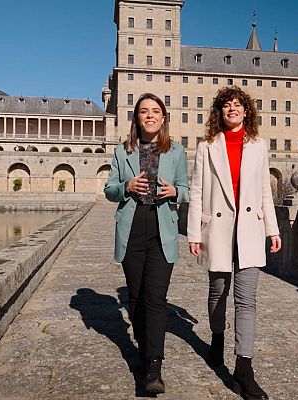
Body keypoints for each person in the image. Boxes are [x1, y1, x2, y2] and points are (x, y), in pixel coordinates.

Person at [187, 86, 281, 400]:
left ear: (246, 111)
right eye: (226, 105)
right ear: (219, 112)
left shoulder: (258, 145)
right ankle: (217, 337)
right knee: (218, 292)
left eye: (238, 104)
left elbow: (265, 190)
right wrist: (195, 233)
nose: (232, 109)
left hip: (250, 229)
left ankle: (244, 367)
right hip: (219, 229)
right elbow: (197, 190)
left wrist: (273, 229)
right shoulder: (206, 146)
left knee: (247, 300)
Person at [104, 93, 189, 394]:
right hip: (132, 227)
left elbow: (187, 189)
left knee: (156, 298)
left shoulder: (176, 152)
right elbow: (109, 190)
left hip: (161, 228)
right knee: (136, 298)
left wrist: (174, 193)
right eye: (144, 111)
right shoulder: (122, 151)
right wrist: (126, 186)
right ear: (137, 118)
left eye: (155, 111)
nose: (150, 116)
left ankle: (154, 364)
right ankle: (144, 348)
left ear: (164, 118)